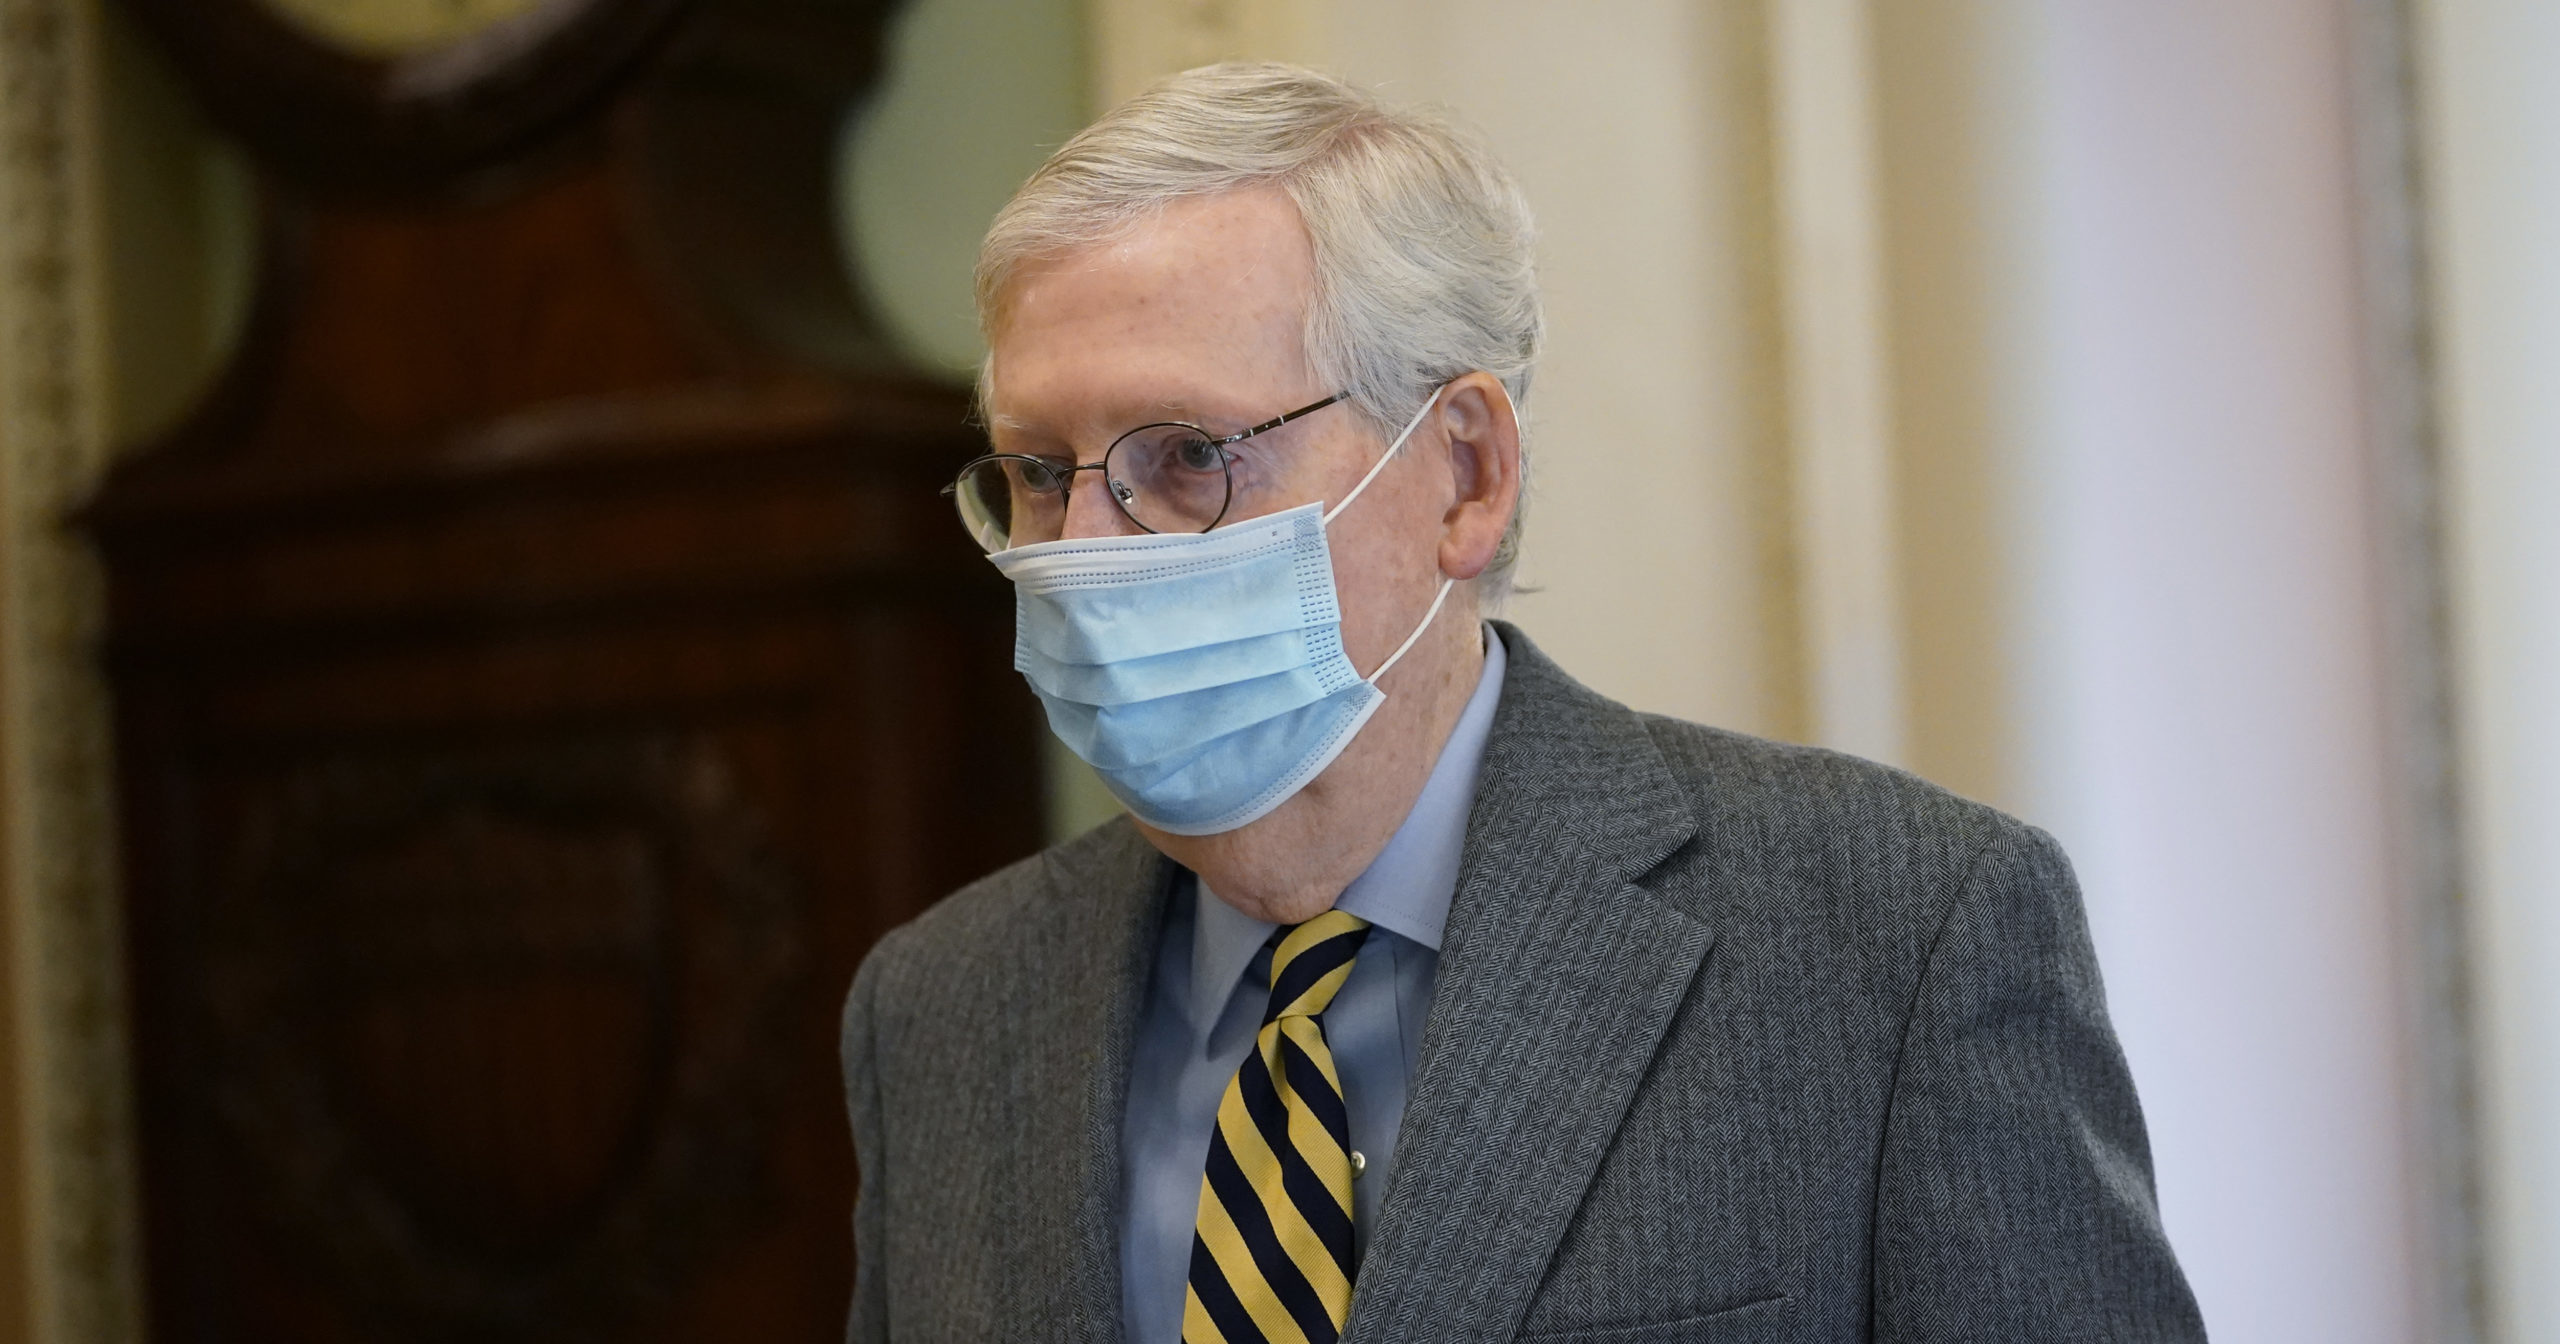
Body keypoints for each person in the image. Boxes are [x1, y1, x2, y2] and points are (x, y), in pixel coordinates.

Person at [841, 61, 2203, 1344]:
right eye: (1035, 470)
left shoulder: (1896, 938)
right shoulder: (943, 1013)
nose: (1085, 548)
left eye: (1187, 457)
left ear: (1466, 474)